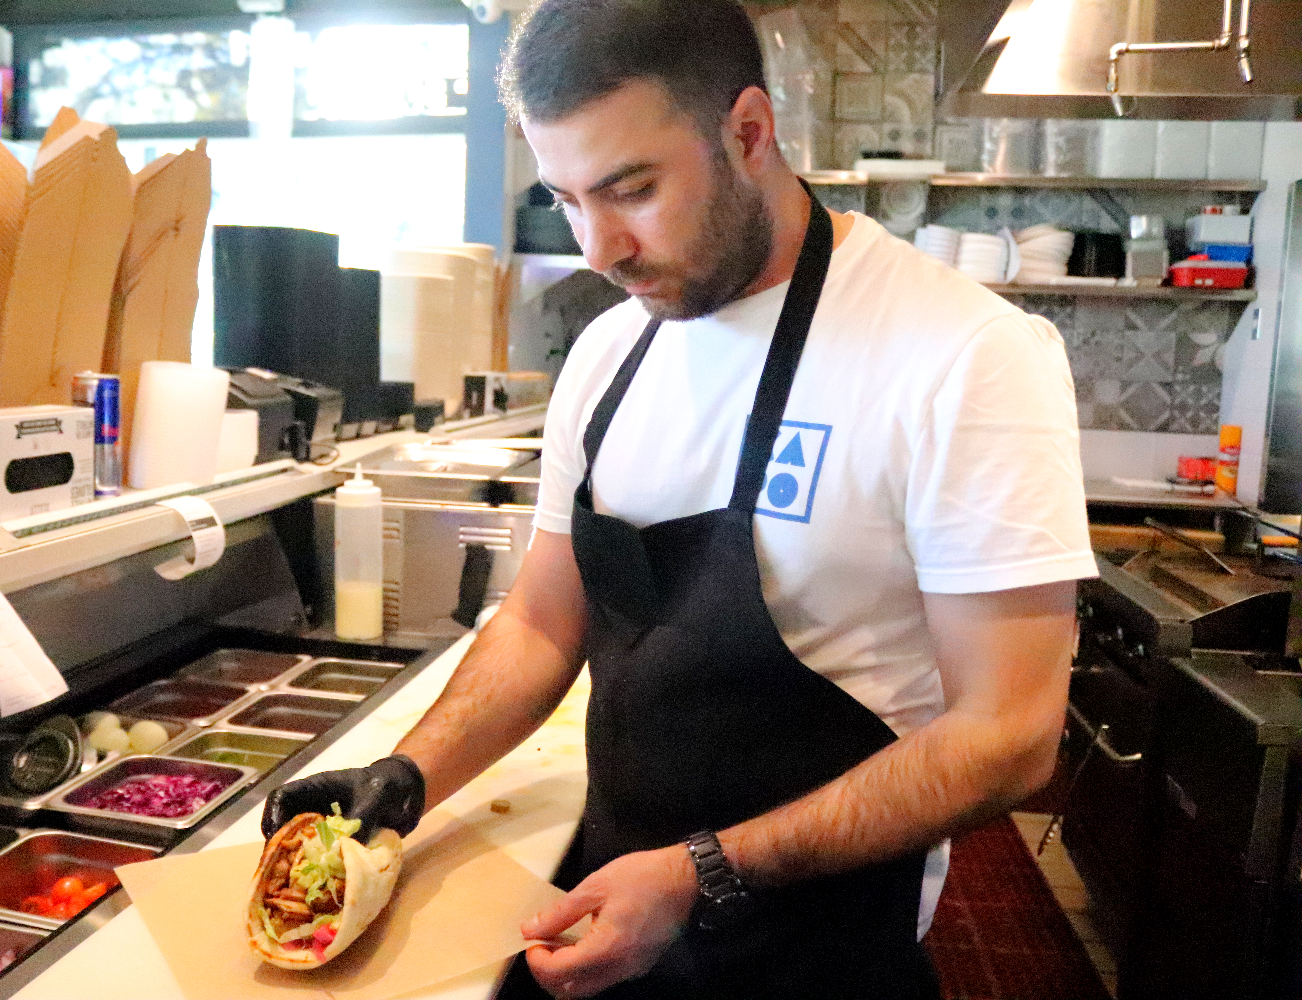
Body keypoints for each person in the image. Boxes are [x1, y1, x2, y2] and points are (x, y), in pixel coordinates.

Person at [264, 1, 1097, 996]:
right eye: (567, 198)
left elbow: (1010, 734)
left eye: (630, 189)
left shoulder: (964, 355)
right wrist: (410, 775)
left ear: (748, 132)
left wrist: (702, 872)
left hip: (814, 954)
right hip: (607, 907)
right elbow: (542, 618)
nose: (597, 248)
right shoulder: (610, 353)